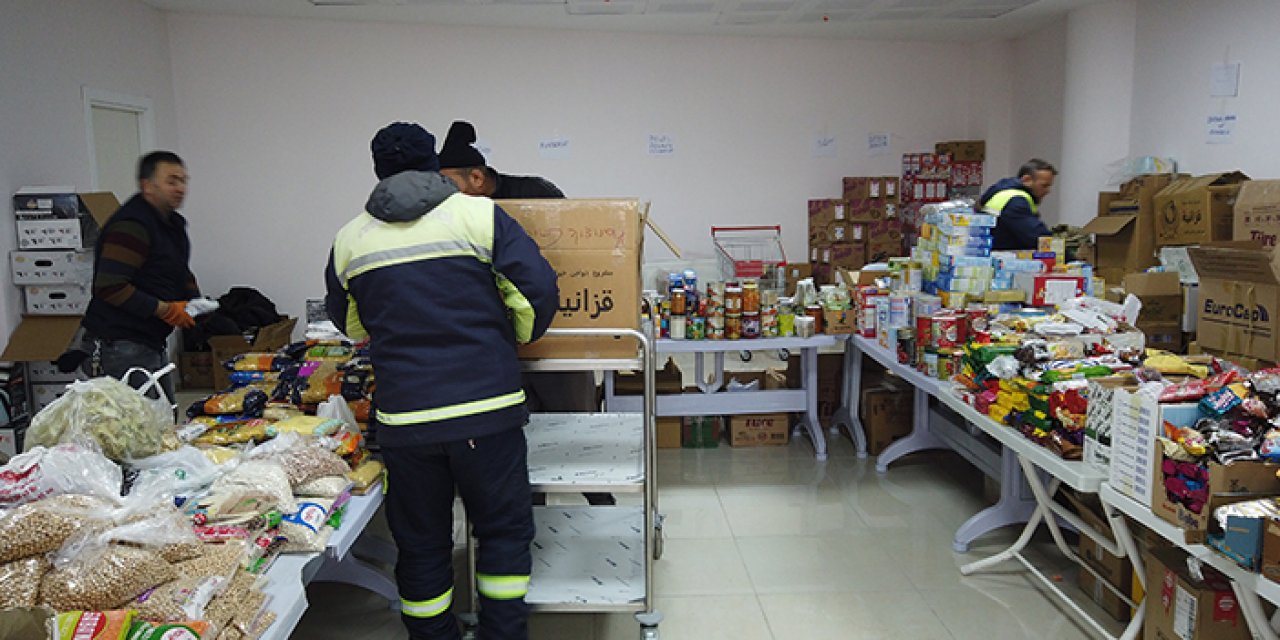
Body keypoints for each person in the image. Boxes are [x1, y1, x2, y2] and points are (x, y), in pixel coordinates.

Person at [325, 122, 558, 640]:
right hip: (487, 410)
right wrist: (509, 336)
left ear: (378, 171)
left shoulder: (350, 238)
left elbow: (350, 323)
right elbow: (537, 291)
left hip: (407, 422)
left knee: (423, 543)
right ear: (434, 163)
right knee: (502, 534)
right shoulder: (479, 215)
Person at [438, 121, 614, 507]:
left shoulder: (537, 194)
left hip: (559, 343)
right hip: (501, 351)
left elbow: (572, 262)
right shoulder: (453, 216)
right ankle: (536, 530)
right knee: (524, 451)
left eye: (448, 181)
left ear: (478, 178)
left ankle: (604, 508)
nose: (442, 192)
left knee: (576, 438)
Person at [74, 151, 199, 404]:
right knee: (137, 428)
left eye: (183, 180)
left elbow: (176, 269)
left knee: (164, 416)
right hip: (119, 343)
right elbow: (110, 286)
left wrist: (197, 302)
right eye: (171, 181)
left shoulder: (172, 224)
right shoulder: (132, 226)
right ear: (148, 185)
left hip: (150, 340)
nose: (180, 188)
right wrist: (165, 310)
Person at [978, 158, 1057, 251]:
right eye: (1044, 185)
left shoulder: (1003, 193)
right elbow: (1038, 237)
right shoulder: (1016, 202)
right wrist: (1071, 260)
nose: (1048, 191)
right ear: (1027, 180)